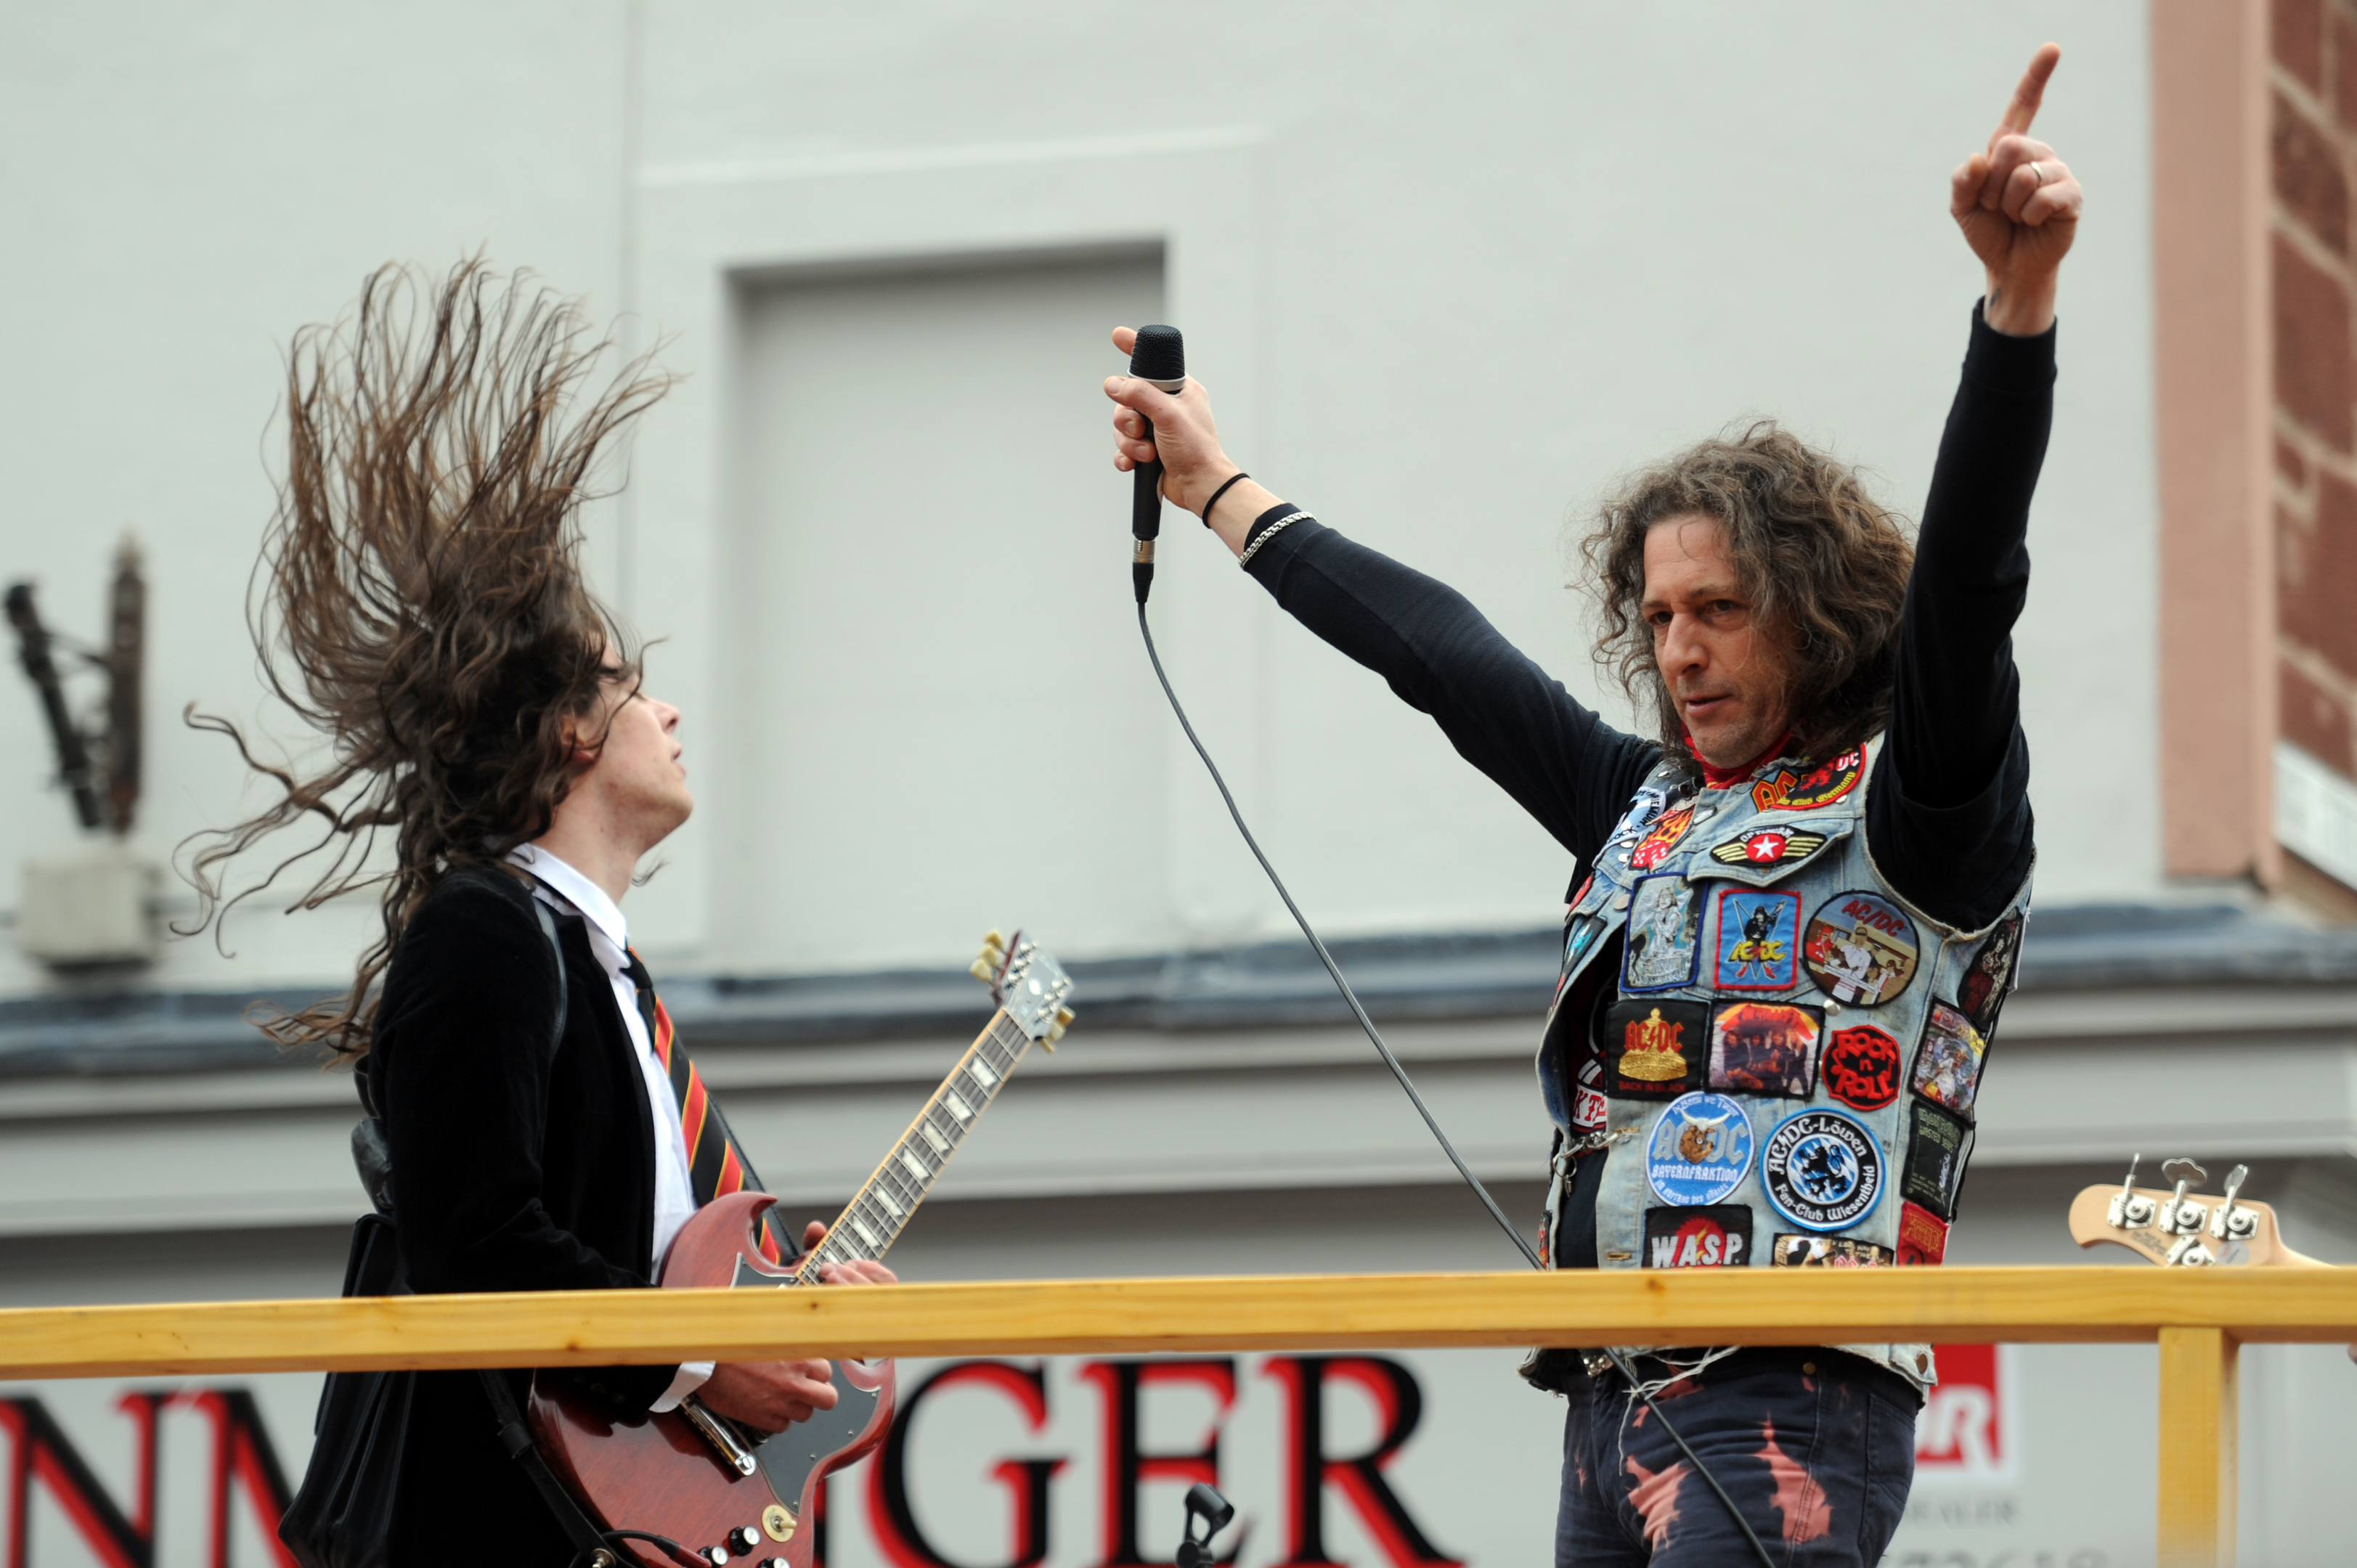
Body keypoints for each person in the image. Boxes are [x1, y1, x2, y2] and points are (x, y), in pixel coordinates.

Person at [1102, 44, 2080, 1567]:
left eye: (1723, 609)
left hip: (1792, 1396)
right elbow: (1445, 660)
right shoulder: (1645, 803)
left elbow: (1968, 586)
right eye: (1660, 612)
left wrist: (2014, 316)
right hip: (1608, 1385)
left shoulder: (1924, 803)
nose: (1678, 648)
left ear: (1817, 615)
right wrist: (1222, 488)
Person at [187, 260, 892, 1564]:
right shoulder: (488, 929)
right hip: (500, 1527)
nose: (670, 713)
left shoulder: (586, 955)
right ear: (569, 732)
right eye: (636, 690)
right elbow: (481, 1239)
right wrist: (699, 1366)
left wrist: (787, 1317)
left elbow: (641, 1248)